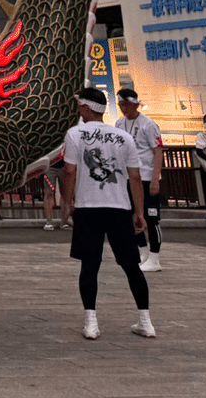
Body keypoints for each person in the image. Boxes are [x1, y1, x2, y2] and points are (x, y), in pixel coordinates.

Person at [61, 88, 154, 339]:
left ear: (87, 108)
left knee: (90, 265)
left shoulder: (75, 134)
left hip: (88, 207)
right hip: (119, 207)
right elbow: (135, 176)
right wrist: (139, 211)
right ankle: (145, 320)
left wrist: (67, 202)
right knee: (131, 265)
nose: (78, 110)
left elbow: (69, 171)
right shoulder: (123, 137)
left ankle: (91, 322)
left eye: (80, 105)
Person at [114, 89, 166, 271]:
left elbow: (158, 151)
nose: (124, 108)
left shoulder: (148, 124)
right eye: (121, 105)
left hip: (146, 175)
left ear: (135, 104)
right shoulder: (119, 124)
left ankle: (155, 257)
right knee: (131, 215)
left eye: (127, 105)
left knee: (151, 218)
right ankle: (142, 251)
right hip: (128, 176)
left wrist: (155, 179)